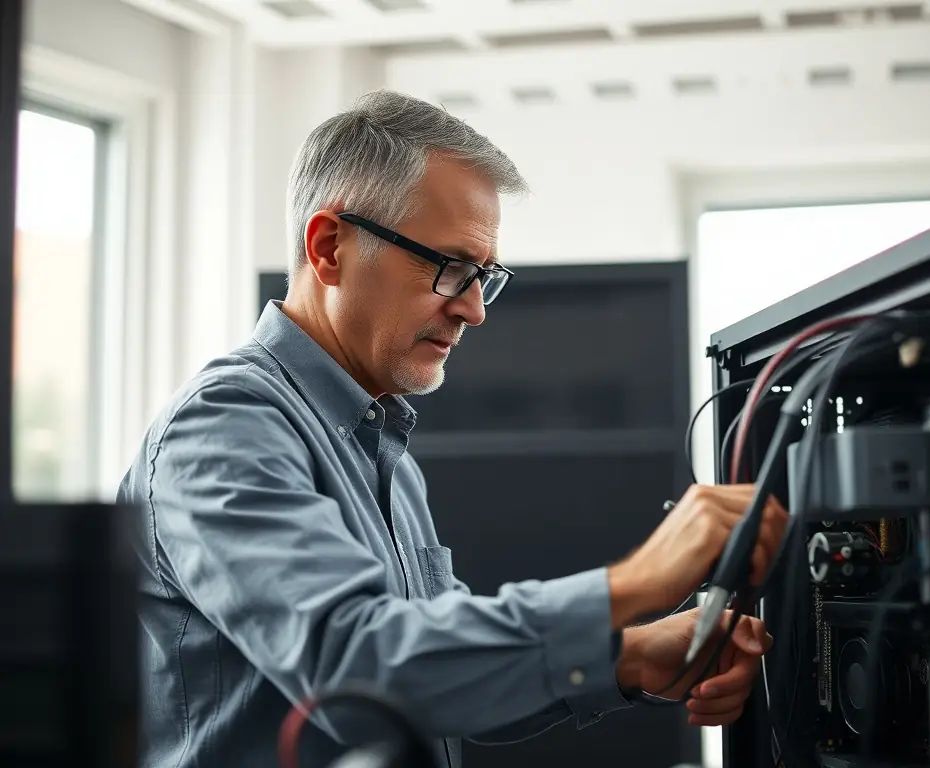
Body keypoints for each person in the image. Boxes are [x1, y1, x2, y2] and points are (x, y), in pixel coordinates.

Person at [117, 90, 788, 768]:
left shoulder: (387, 453)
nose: (475, 310)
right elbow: (359, 667)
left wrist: (630, 660)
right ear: (328, 249)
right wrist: (636, 582)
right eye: (451, 269)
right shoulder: (224, 428)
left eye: (484, 277)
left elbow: (441, 683)